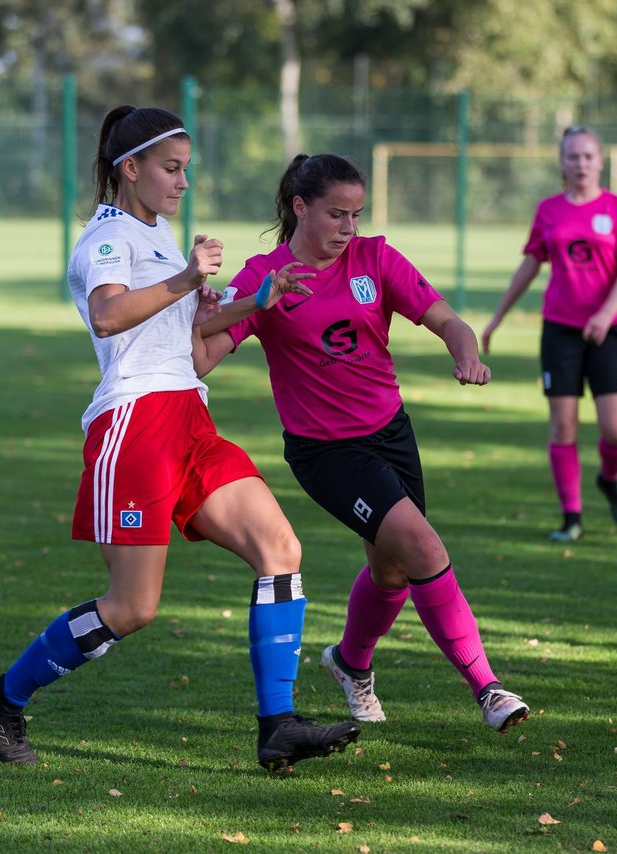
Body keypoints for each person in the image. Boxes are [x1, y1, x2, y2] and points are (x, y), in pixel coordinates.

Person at [0, 106, 359, 774]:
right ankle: (3, 696)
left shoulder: (160, 235)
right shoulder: (108, 240)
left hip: (190, 417)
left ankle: (278, 726)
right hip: (136, 425)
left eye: (186, 170)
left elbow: (186, 344)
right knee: (133, 607)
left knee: (280, 548)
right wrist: (187, 280)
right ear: (132, 169)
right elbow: (108, 313)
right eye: (171, 169)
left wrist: (255, 301)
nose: (182, 183)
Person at [192, 153, 528, 734]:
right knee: (423, 547)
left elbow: (450, 321)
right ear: (301, 207)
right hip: (327, 452)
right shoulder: (266, 274)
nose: (349, 228)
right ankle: (487, 688)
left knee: (394, 570)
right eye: (336, 214)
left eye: (356, 214)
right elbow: (201, 357)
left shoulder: (376, 258)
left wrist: (466, 355)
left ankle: (351, 664)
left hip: (391, 433)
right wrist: (214, 307)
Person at [481, 125, 617, 543]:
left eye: (588, 156)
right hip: (560, 330)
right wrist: (498, 316)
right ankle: (571, 517)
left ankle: (609, 480)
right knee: (563, 427)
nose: (581, 164)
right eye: (573, 156)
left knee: (616, 431)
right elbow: (530, 265)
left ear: (601, 162)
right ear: (562, 163)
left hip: (607, 329)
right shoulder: (549, 210)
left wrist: (606, 315)